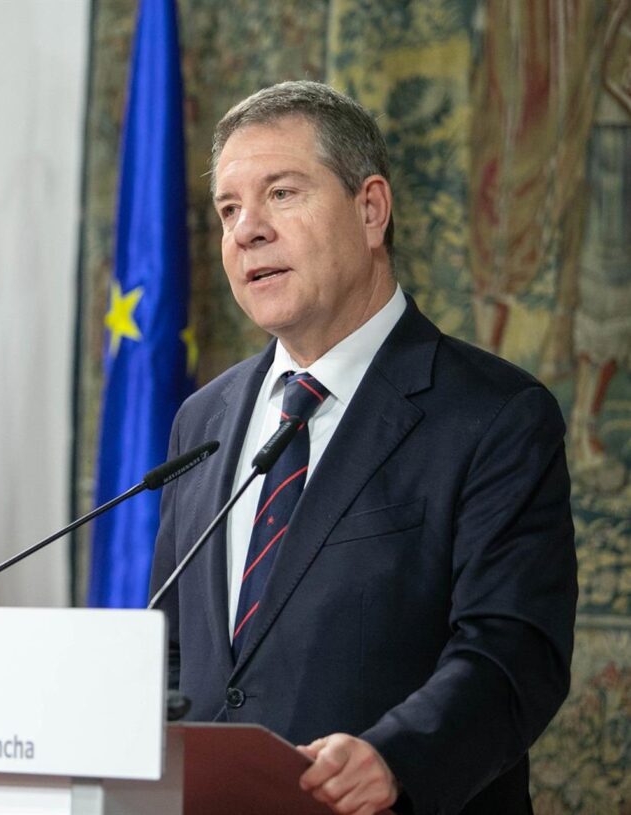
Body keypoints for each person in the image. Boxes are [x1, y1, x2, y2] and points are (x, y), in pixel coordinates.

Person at [149, 81, 577, 815]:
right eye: (228, 209)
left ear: (370, 209)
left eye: (281, 193)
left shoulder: (495, 415)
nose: (247, 229)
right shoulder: (205, 419)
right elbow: (175, 650)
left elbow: (514, 649)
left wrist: (397, 755)